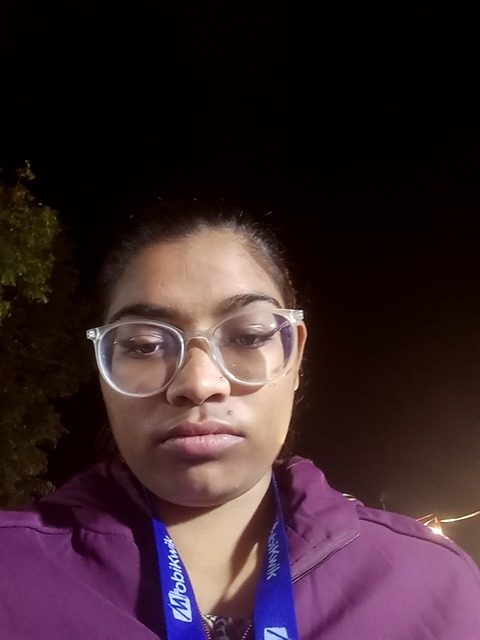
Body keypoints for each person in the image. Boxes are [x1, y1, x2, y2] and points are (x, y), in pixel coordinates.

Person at [0, 199, 479, 640]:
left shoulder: (436, 587)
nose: (199, 383)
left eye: (248, 337)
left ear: (295, 356)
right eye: (144, 346)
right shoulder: (12, 576)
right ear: (104, 367)